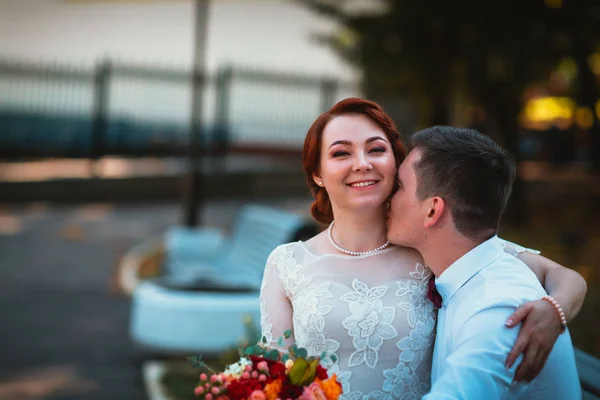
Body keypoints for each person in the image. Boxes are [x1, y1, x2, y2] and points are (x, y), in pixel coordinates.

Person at [259, 98, 586, 399]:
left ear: (394, 162)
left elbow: (562, 275)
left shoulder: (432, 245)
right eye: (341, 153)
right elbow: (275, 380)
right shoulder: (287, 263)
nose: (362, 163)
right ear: (317, 173)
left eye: (376, 149)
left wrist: (554, 310)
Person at [387, 126, 580, 399]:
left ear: (432, 210)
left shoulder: (500, 312)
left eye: (399, 187)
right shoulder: (480, 261)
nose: (388, 198)